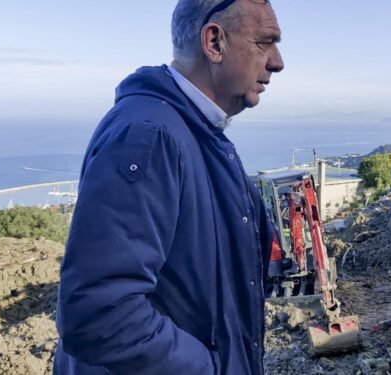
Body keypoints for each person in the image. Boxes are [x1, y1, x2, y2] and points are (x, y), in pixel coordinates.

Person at [54, 0, 284, 374]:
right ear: (214, 42)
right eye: (265, 42)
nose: (277, 61)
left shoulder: (200, 135)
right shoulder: (151, 136)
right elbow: (100, 313)